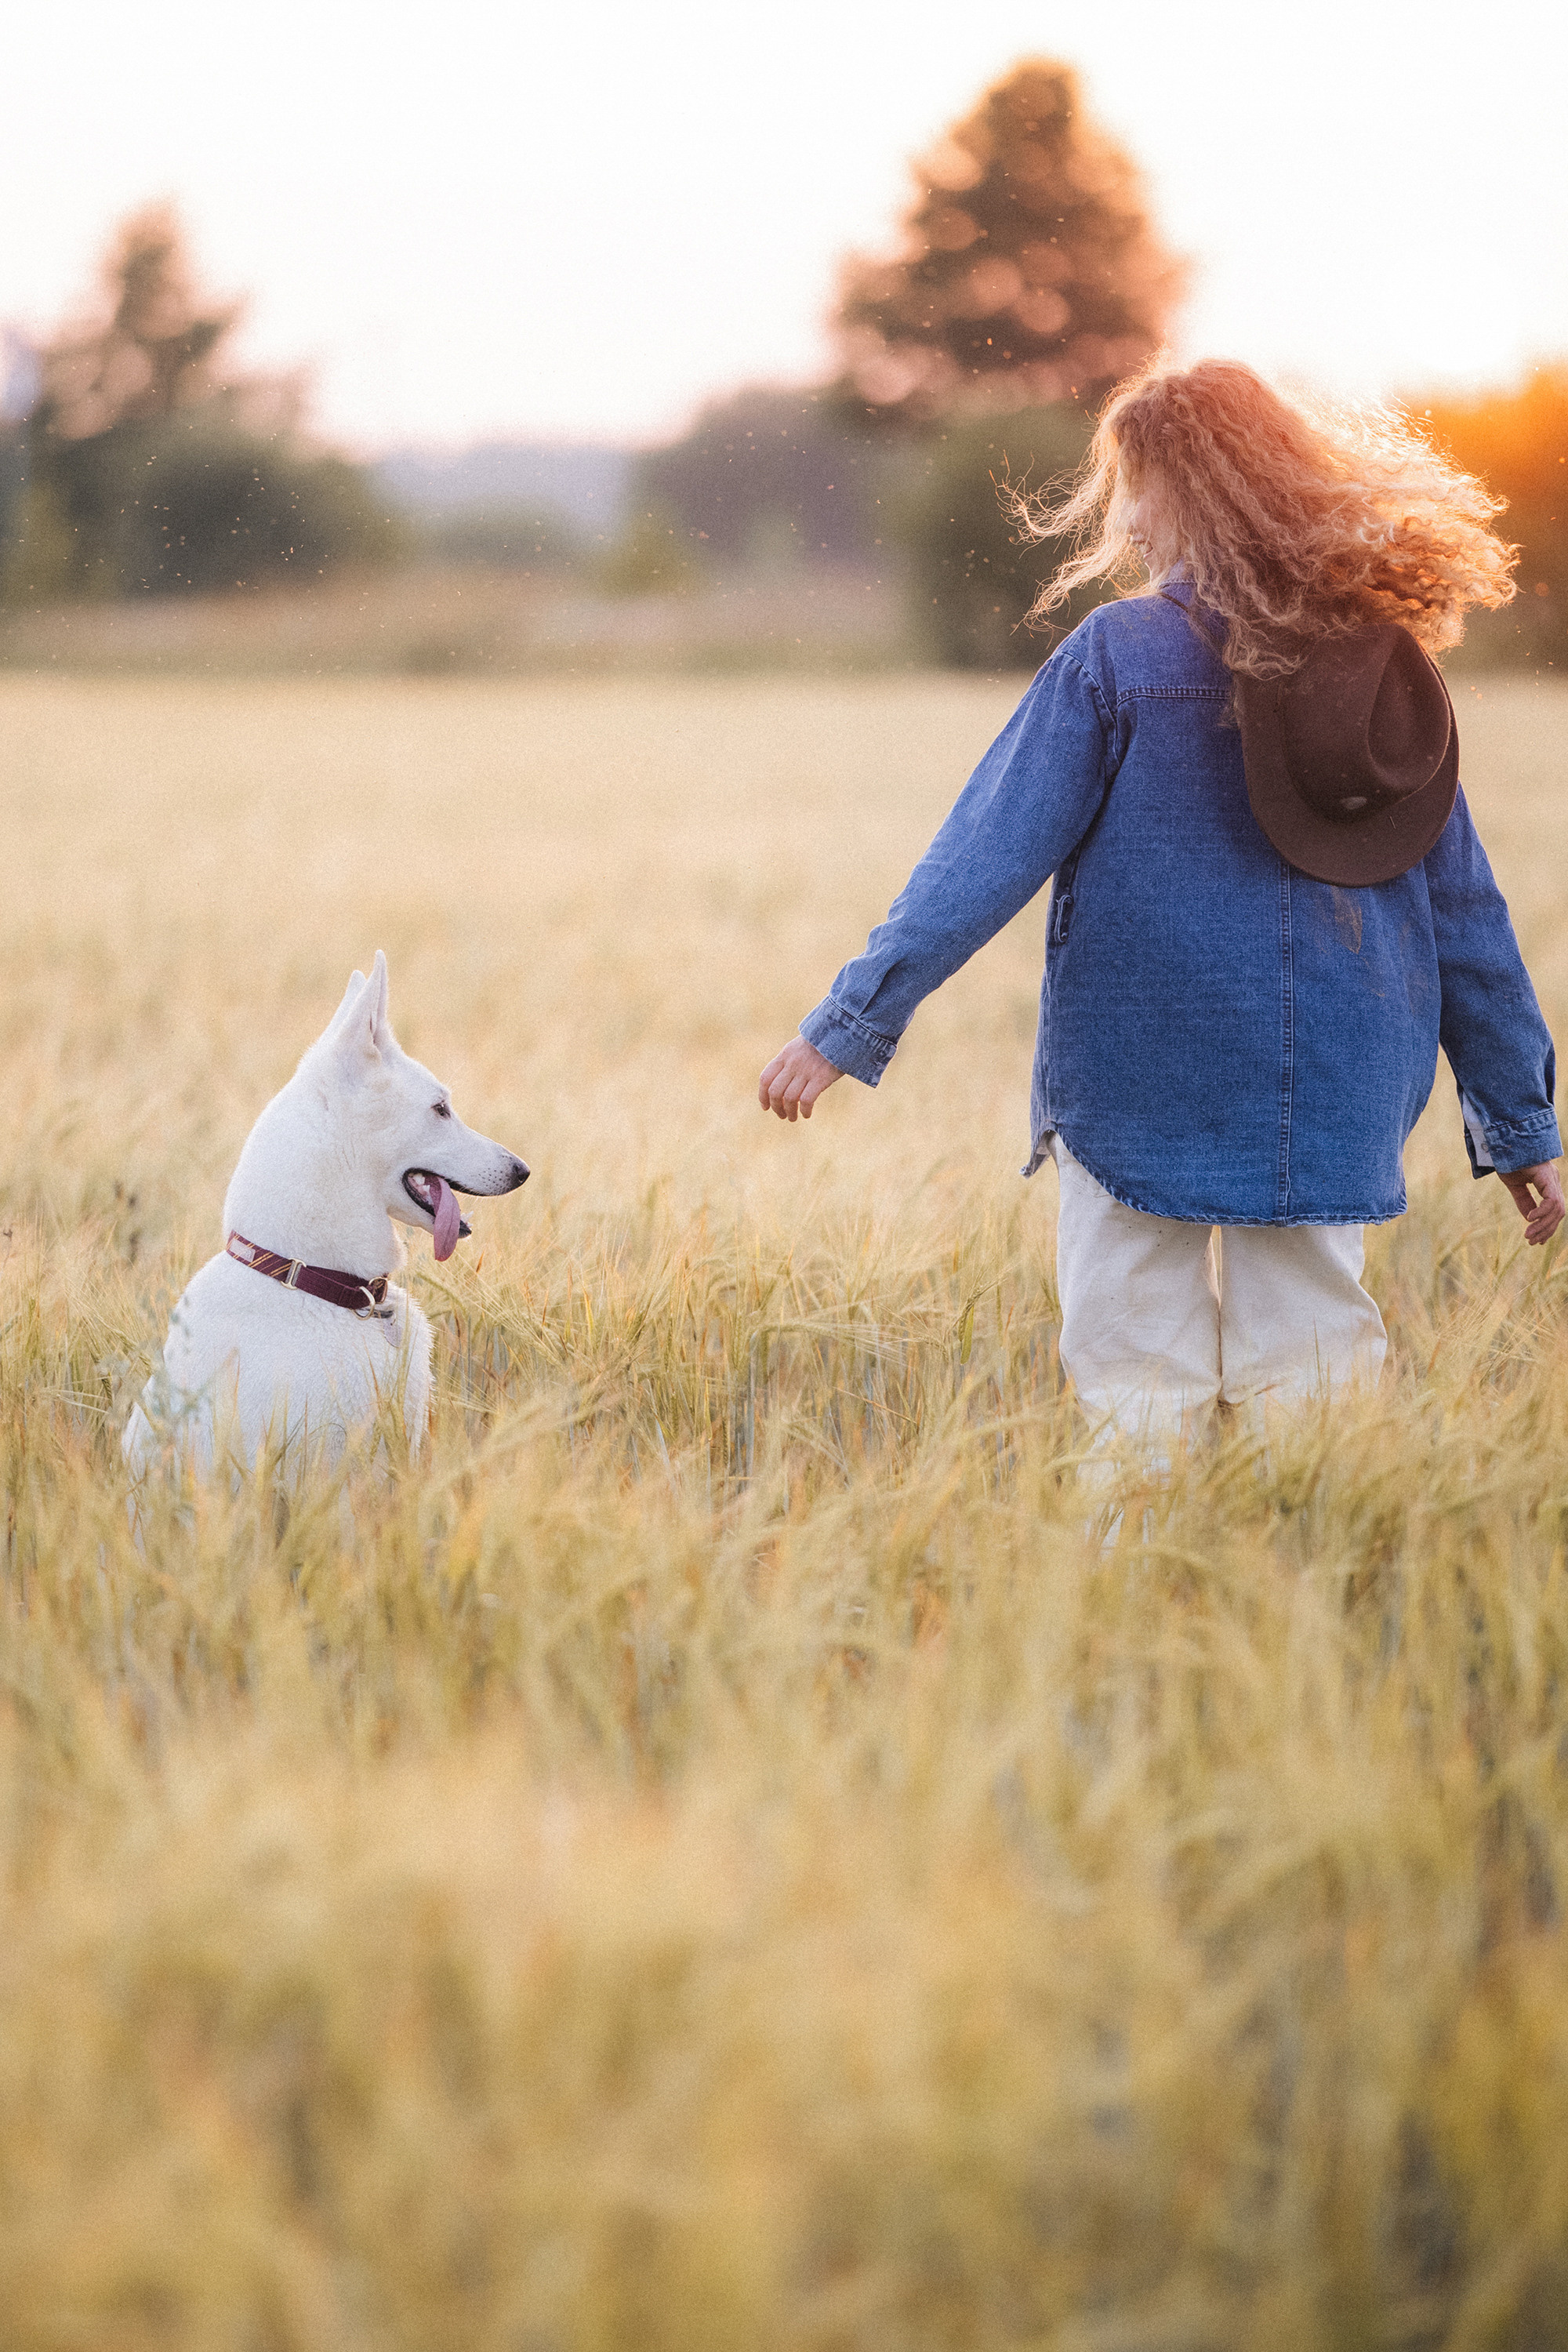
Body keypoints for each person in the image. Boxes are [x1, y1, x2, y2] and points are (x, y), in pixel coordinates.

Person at [757, 359, 1563, 1447]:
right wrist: (1517, 1123)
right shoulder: (1385, 665)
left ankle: (1143, 1554)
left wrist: (849, 1022)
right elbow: (1464, 914)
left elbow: (981, 859)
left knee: (1137, 1385)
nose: (1127, 521)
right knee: (1315, 1387)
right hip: (1335, 1086)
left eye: (1137, 489)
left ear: (1190, 494)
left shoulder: (1118, 656)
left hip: (1140, 1078)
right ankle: (1311, 1553)